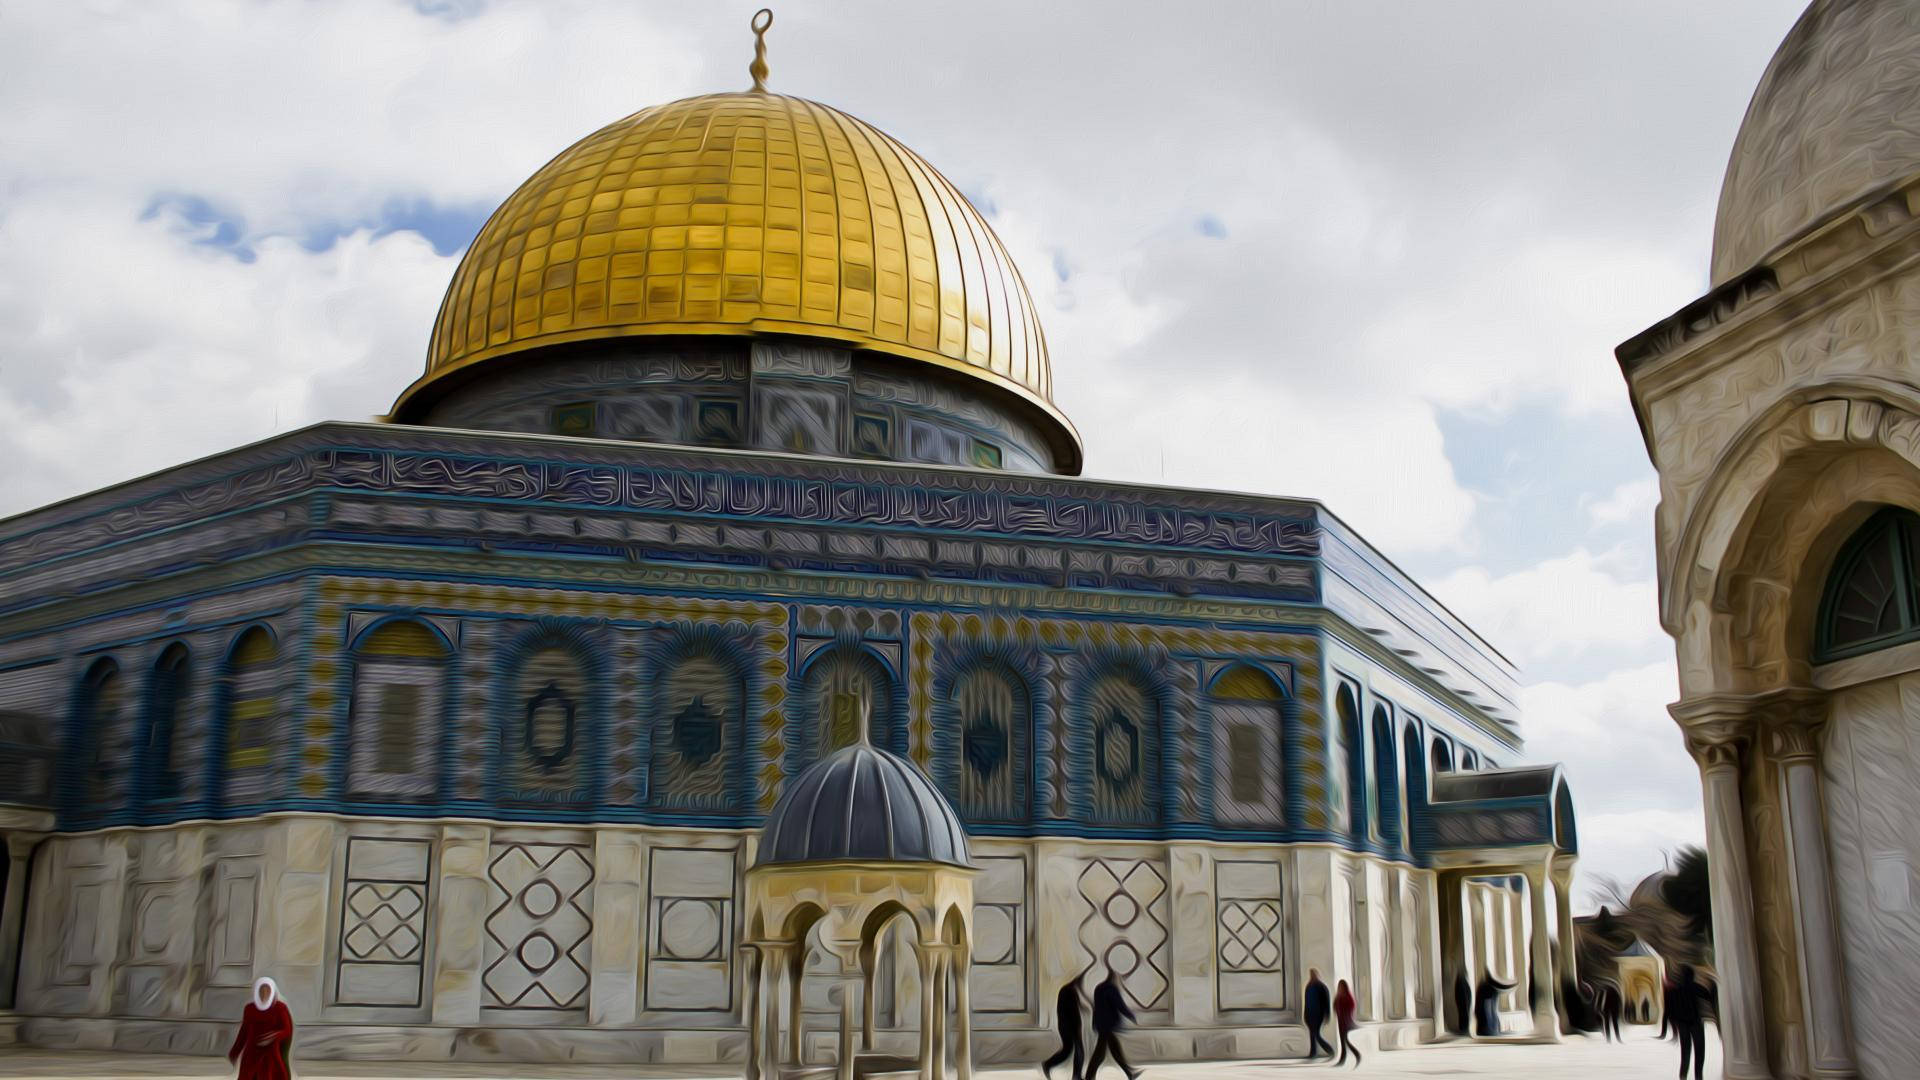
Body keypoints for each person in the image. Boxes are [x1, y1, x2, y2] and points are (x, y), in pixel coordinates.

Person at [228, 977, 293, 1080]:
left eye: (268, 990)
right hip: (251, 1053)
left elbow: (287, 1030)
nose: (264, 993)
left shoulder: (280, 1008)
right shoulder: (249, 1009)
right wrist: (235, 1051)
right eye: (261, 990)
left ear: (272, 991)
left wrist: (273, 1036)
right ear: (257, 991)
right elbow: (244, 1032)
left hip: (270, 1053)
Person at [1084, 968, 1141, 1080]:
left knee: (1111, 1050)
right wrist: (1131, 1016)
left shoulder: (1099, 988)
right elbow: (1120, 1005)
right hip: (1108, 1025)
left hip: (1101, 1024)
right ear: (1115, 977)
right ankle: (1089, 1076)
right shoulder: (1111, 989)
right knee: (1103, 1052)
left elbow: (1097, 1007)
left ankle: (1129, 1073)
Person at [1667, 965, 1715, 1080]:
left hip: (1682, 1024)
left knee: (1685, 1050)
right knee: (1699, 1051)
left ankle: (1683, 1075)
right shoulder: (1695, 987)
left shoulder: (1674, 990)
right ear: (1692, 975)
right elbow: (1708, 996)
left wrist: (1676, 1022)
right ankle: (1698, 1076)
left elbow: (1670, 1010)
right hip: (1695, 1023)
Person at [1042, 971, 1087, 1080]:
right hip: (1070, 1026)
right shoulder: (1069, 991)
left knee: (1069, 1050)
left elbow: (1069, 1009)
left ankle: (1050, 1064)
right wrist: (1077, 1028)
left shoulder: (1068, 990)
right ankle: (1075, 1075)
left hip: (1066, 1026)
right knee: (1077, 1050)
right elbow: (1072, 1012)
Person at [1303, 968, 1334, 1060]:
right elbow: (1306, 1002)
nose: (1311, 975)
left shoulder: (1321, 987)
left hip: (1318, 1014)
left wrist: (1327, 1015)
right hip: (1309, 1014)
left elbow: (1326, 1002)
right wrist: (1305, 1014)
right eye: (1310, 974)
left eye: (1313, 974)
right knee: (1312, 1034)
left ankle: (1329, 1050)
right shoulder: (1308, 986)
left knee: (1316, 1034)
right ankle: (1313, 1053)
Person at [1474, 971, 1514, 1036]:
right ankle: (1489, 1030)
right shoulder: (1487, 987)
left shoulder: (1487, 986)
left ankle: (1490, 1030)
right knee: (1488, 1014)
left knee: (1490, 1014)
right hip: (1487, 1028)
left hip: (1488, 1027)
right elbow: (1486, 1011)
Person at [1332, 978, 1361, 1067]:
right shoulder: (1338, 996)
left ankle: (1356, 1055)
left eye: (1341, 986)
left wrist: (1346, 1015)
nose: (1340, 988)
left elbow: (1352, 1006)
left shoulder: (1347, 996)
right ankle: (1343, 1060)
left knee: (1346, 1041)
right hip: (1341, 1022)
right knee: (1343, 1042)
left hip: (1347, 1022)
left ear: (1344, 987)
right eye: (1339, 986)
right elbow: (1335, 1006)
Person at [1452, 971, 1473, 1036]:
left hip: (1463, 1001)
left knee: (1463, 1013)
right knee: (1464, 1012)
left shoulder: (1461, 981)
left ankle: (1464, 1029)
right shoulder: (1462, 981)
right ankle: (1464, 1029)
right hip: (1464, 1001)